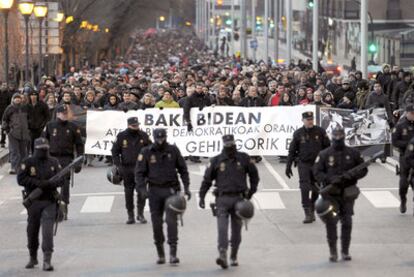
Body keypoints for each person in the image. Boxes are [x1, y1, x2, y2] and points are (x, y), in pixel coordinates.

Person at [199, 134, 259, 269]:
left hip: (239, 200)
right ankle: (223, 255)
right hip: (222, 199)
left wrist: (251, 191)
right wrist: (202, 196)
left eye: (231, 143)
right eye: (227, 144)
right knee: (222, 229)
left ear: (234, 143)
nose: (229, 146)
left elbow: (254, 175)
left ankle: (234, 255)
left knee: (236, 231)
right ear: (223, 144)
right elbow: (207, 180)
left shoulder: (243, 158)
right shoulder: (216, 161)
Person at [135, 128, 190, 265]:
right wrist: (142, 189)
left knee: (172, 222)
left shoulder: (173, 150)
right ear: (154, 138)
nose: (161, 141)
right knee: (157, 224)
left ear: (166, 137)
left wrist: (187, 187)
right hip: (154, 191)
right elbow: (140, 173)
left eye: (163, 138)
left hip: (171, 191)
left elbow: (183, 169)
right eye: (158, 139)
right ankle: (160, 253)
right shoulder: (146, 152)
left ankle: (173, 253)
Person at [313, 127, 367, 262]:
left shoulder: (353, 153)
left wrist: (352, 176)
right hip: (331, 193)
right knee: (331, 222)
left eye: (340, 135)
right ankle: (333, 252)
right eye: (335, 135)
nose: (337, 138)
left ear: (344, 136)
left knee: (347, 222)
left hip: (347, 193)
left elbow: (363, 169)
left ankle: (345, 251)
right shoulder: (325, 154)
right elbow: (317, 172)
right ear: (332, 136)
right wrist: (330, 179)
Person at [17, 138, 63, 271]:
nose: (44, 151)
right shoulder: (28, 162)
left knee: (47, 232)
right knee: (32, 231)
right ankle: (33, 257)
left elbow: (61, 179)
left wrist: (50, 184)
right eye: (41, 149)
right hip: (33, 202)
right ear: (35, 149)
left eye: (45, 148)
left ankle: (47, 260)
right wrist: (37, 183)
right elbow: (21, 179)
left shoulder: (53, 162)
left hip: (49, 201)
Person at [286, 111, 330, 223]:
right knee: (304, 187)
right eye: (308, 119)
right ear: (303, 120)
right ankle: (307, 212)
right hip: (304, 163)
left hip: (317, 164)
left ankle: (312, 207)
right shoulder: (298, 133)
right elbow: (292, 150)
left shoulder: (320, 131)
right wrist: (288, 165)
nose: (310, 121)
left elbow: (328, 147)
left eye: (311, 119)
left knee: (316, 188)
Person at [43, 105, 84, 219]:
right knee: (51, 183)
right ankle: (53, 205)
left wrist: (79, 160)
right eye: (63, 113)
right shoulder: (50, 126)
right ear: (57, 114)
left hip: (66, 158)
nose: (65, 115)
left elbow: (79, 144)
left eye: (66, 113)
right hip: (52, 158)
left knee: (65, 183)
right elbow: (43, 142)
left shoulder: (73, 127)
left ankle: (64, 204)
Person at [111, 117, 151, 224]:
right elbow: (114, 151)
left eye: (137, 125)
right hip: (127, 168)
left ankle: (140, 214)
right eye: (133, 125)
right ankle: (130, 215)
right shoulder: (121, 136)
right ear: (128, 125)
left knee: (141, 192)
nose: (136, 127)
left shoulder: (143, 135)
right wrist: (118, 165)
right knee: (128, 192)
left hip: (141, 168)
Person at [392, 105, 414, 213]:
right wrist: (408, 144)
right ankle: (403, 200)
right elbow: (394, 142)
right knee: (404, 183)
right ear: (407, 113)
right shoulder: (400, 126)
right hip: (405, 156)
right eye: (412, 114)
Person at [1, 93, 30, 174]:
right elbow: (4, 120)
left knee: (23, 152)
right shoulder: (9, 108)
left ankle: (23, 168)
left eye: (19, 98)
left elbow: (29, 119)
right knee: (14, 151)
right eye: (15, 98)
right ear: (13, 99)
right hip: (13, 134)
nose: (17, 99)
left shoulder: (24, 108)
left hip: (24, 133)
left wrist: (29, 129)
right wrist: (7, 130)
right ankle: (14, 167)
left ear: (21, 99)